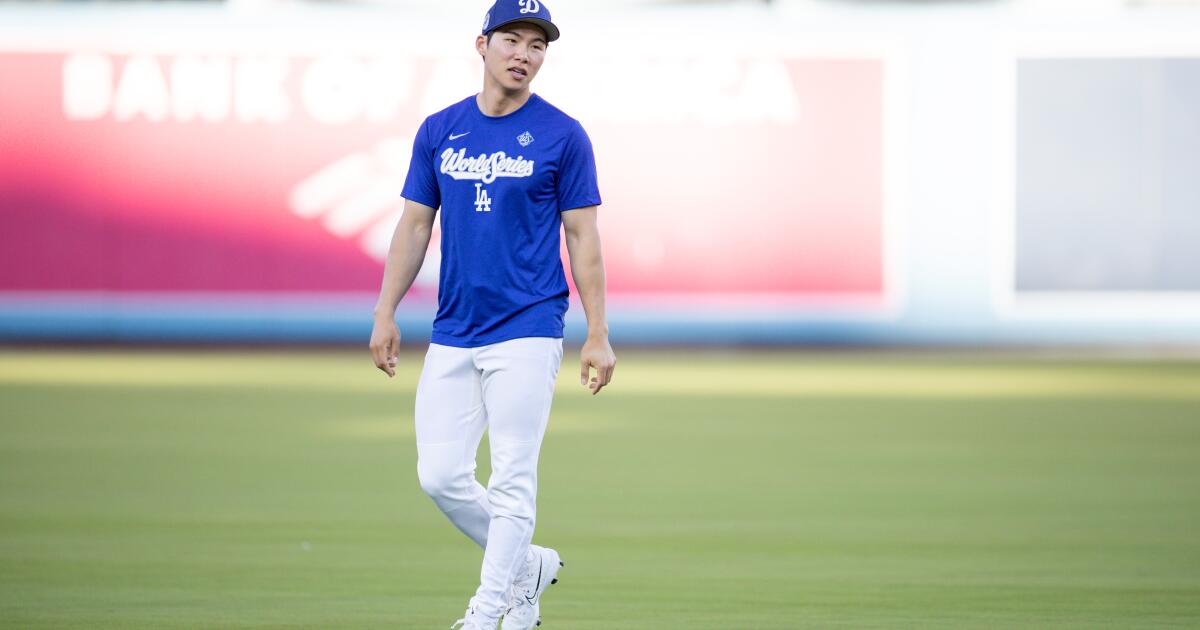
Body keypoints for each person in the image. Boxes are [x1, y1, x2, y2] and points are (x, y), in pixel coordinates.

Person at [368, 1, 614, 628]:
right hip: (454, 327)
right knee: (440, 476)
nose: (523, 54)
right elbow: (415, 224)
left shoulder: (563, 135)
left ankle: (488, 611)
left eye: (537, 45)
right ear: (482, 45)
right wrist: (385, 311)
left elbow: (582, 237)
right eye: (512, 39)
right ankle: (526, 566)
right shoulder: (440, 129)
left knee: (512, 478)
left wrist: (597, 333)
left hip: (529, 324)